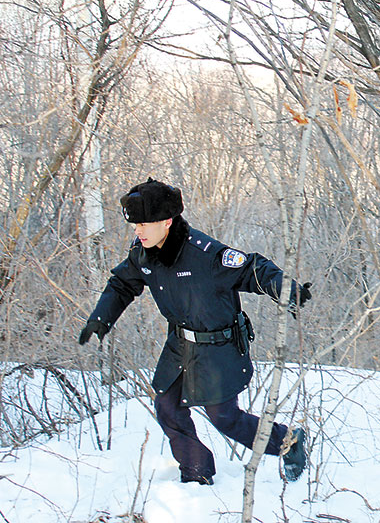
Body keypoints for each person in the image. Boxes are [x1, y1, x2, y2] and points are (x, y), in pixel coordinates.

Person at [78, 178, 312, 485]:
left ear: (166, 221)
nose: (137, 231)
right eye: (135, 225)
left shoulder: (204, 254)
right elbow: (122, 284)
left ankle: (288, 441)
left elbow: (251, 268)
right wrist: (101, 318)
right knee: (167, 407)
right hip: (180, 344)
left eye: (143, 224)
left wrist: (286, 290)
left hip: (219, 345)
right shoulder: (143, 252)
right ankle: (196, 473)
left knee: (224, 418)